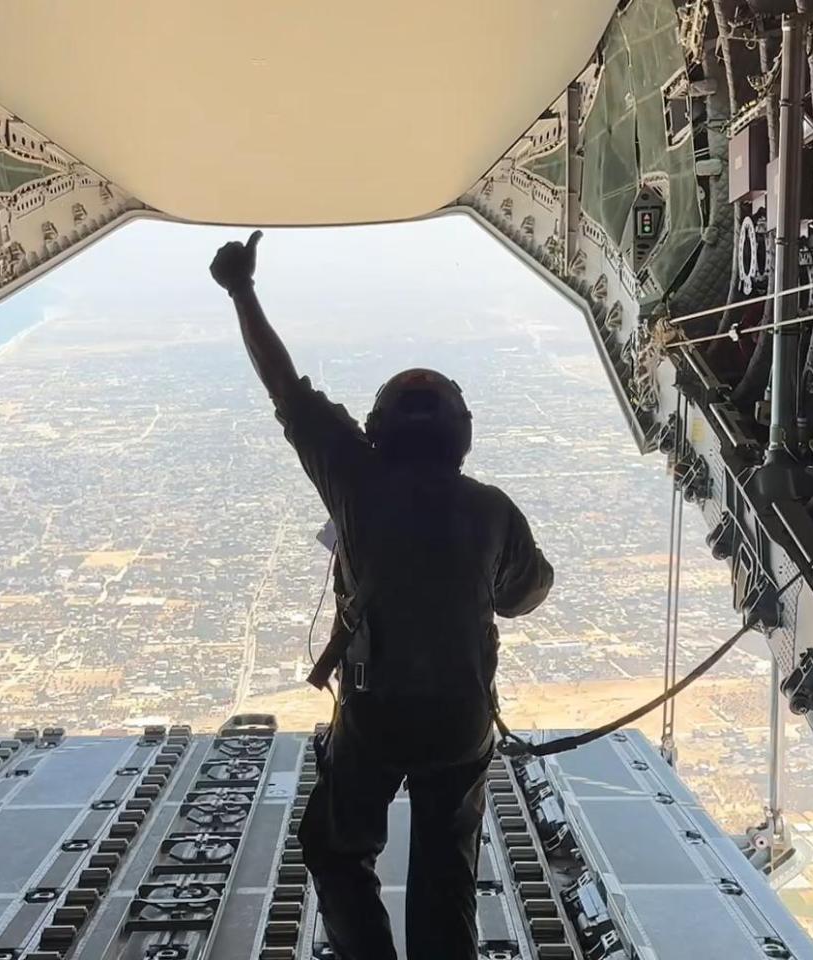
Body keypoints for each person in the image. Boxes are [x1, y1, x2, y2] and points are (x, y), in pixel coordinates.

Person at [210, 231, 554, 959]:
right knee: (446, 874)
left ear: (377, 428)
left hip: (375, 717)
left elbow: (286, 388)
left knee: (338, 851)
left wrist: (242, 290)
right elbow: (529, 593)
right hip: (462, 721)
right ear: (461, 436)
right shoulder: (491, 509)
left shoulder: (355, 479)